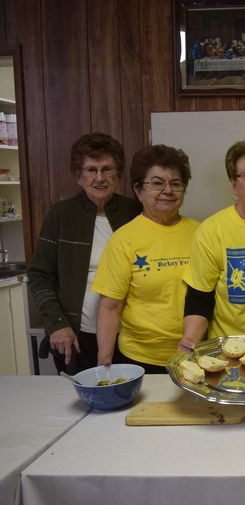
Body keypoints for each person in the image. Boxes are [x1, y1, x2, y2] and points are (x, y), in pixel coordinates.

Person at [27, 133, 142, 375]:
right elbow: (39, 276)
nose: (100, 177)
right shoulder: (61, 215)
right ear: (79, 177)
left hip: (132, 335)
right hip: (78, 335)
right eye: (91, 170)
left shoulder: (134, 212)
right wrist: (57, 325)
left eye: (107, 169)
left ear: (118, 174)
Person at [94, 145, 199, 372]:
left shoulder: (201, 233)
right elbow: (111, 306)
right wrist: (104, 363)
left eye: (176, 183)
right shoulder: (124, 239)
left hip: (196, 353)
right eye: (157, 183)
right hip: (140, 359)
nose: (168, 190)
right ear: (139, 191)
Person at [179, 140, 245, 350]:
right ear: (234, 184)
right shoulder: (212, 230)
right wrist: (191, 338)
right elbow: (199, 298)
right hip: (228, 349)